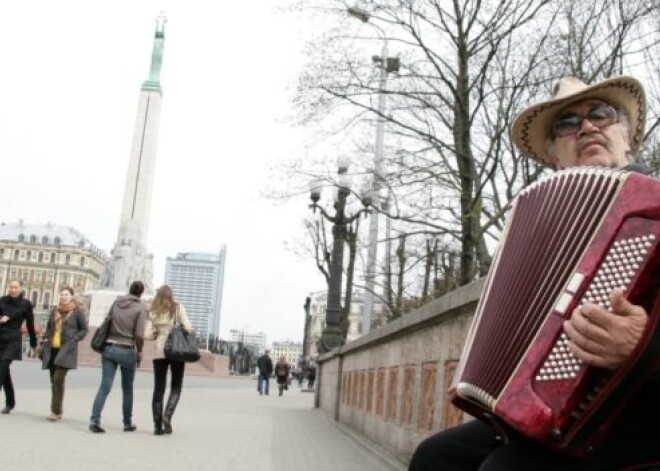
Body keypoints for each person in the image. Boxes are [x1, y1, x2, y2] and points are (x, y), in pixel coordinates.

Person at [408, 75, 660, 470]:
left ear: (627, 139)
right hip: (558, 407)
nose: (587, 126)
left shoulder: (655, 207)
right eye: (568, 123)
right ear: (556, 157)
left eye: (601, 114)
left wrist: (644, 343)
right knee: (435, 457)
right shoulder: (543, 222)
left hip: (640, 407)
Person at [89, 280, 147, 433]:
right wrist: (140, 350)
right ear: (141, 293)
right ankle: (127, 423)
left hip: (109, 347)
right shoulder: (140, 308)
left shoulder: (116, 303)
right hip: (127, 350)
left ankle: (94, 420)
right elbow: (139, 335)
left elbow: (107, 322)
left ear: (129, 290)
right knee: (127, 389)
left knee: (104, 386)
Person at [144, 284, 193, 435]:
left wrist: (158, 334)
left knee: (159, 388)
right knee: (176, 386)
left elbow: (147, 335)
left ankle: (157, 426)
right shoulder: (178, 308)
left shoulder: (153, 310)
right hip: (177, 351)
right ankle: (167, 417)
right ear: (171, 295)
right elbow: (188, 328)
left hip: (160, 351)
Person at [41, 286, 88, 421]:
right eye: (62, 294)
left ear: (71, 296)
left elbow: (84, 329)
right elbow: (50, 328)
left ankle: (54, 411)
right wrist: (46, 337)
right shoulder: (54, 311)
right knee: (54, 382)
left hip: (66, 350)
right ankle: (58, 409)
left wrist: (75, 338)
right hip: (53, 349)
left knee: (57, 380)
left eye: (66, 294)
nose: (63, 297)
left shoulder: (77, 311)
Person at [0, 280, 37, 414]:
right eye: (11, 287)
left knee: (2, 367)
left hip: (13, 339)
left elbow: (30, 325)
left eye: (16, 287)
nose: (13, 289)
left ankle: (9, 402)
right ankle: (10, 402)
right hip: (1, 338)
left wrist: (33, 343)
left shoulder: (26, 304)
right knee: (4, 373)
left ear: (21, 288)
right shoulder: (2, 300)